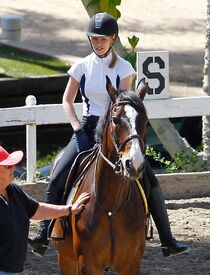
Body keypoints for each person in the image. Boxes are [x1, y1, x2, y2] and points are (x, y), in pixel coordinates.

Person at [29, 12, 189, 257]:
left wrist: (118, 130)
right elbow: (67, 100)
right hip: (87, 127)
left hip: (116, 129)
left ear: (113, 38)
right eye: (94, 39)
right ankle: (43, 234)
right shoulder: (81, 66)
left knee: (148, 176)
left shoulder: (125, 68)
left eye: (103, 39)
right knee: (59, 170)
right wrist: (76, 128)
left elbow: (124, 104)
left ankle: (167, 239)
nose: (99, 43)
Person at [0, 145, 90, 274]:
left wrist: (70, 209)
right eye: (8, 166)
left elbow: (37, 210)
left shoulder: (13, 190)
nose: (13, 167)